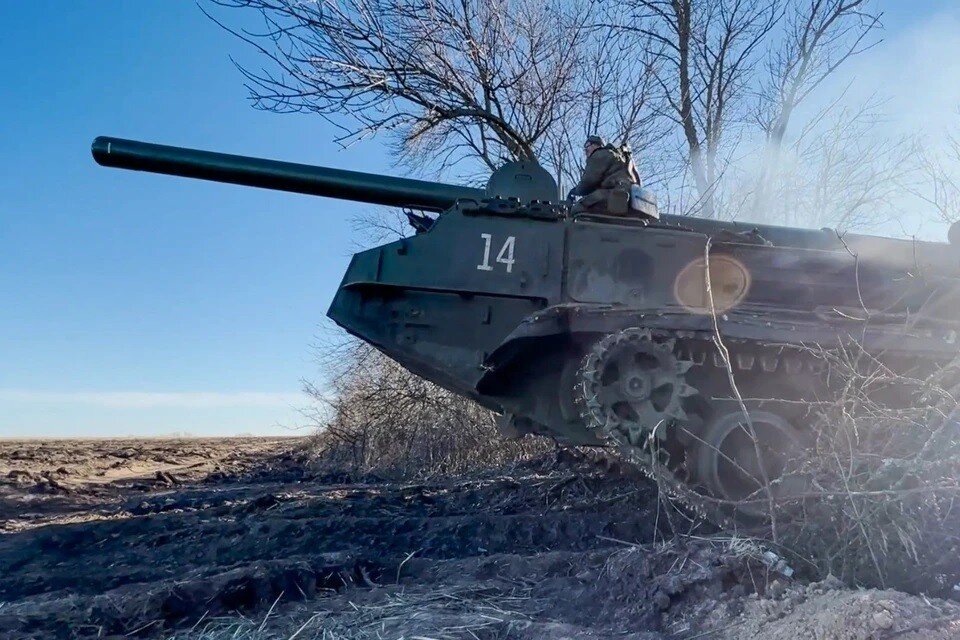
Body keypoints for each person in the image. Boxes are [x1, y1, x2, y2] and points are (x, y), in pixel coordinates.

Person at [568, 135, 641, 216]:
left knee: (577, 208)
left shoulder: (600, 154)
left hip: (612, 195)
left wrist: (575, 191)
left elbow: (588, 181)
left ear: (595, 145)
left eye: (587, 146)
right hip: (631, 199)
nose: (585, 151)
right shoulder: (621, 156)